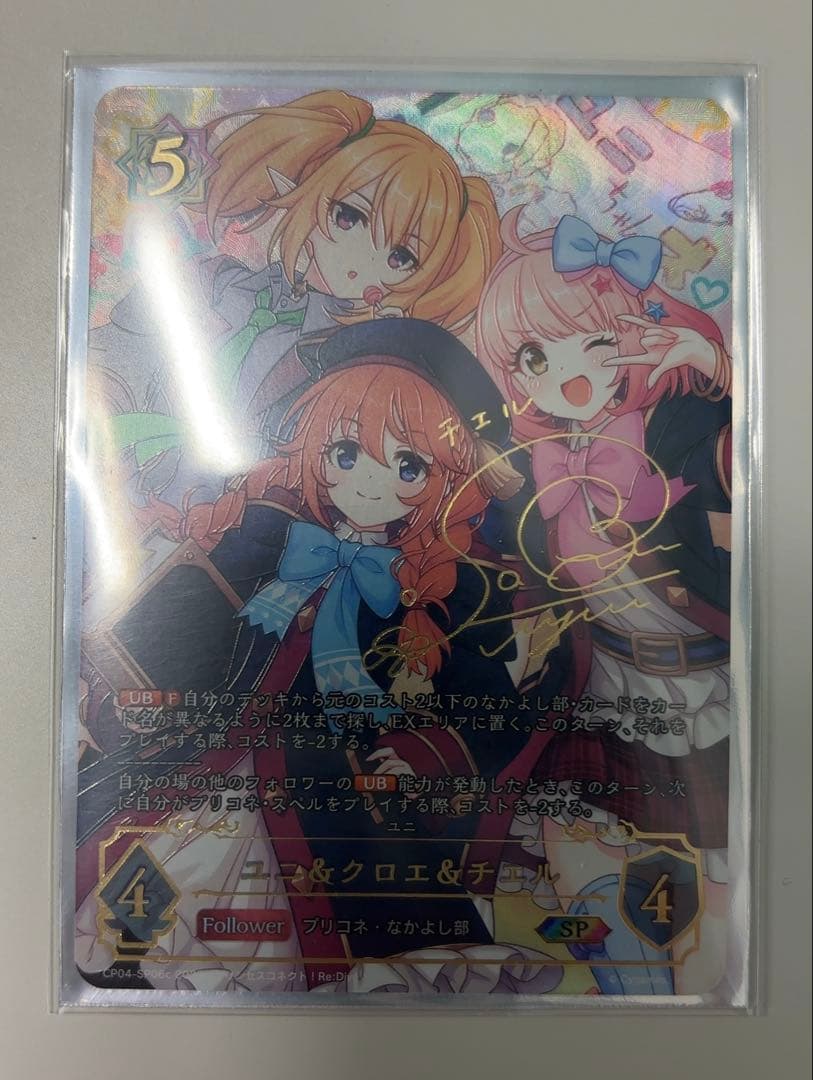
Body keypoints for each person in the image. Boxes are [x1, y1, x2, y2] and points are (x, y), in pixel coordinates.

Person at [76, 319, 566, 995]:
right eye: (345, 451)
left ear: (450, 478)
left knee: (329, 962)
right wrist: (137, 688)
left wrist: (421, 753)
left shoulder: (441, 587)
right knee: (125, 918)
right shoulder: (267, 533)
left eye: (408, 467)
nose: (368, 482)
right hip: (205, 761)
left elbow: (492, 708)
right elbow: (185, 624)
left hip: (333, 802)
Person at [474, 209, 732, 995]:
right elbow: (509, 572)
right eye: (535, 355)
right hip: (601, 687)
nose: (571, 373)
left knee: (721, 901)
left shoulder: (678, 429)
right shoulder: (536, 459)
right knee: (585, 874)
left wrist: (711, 361)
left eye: (597, 342)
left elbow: (759, 455)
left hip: (707, 692)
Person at [87, 91, 502, 509]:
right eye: (348, 217)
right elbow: (114, 351)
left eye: (400, 257)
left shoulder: (351, 366)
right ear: (308, 190)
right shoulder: (215, 282)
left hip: (218, 519)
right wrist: (109, 413)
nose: (359, 260)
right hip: (119, 485)